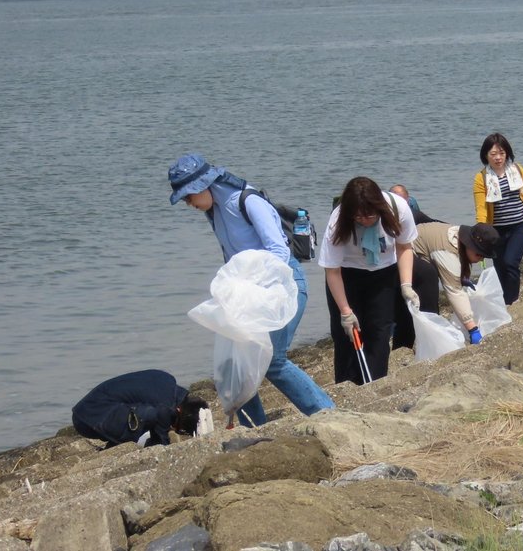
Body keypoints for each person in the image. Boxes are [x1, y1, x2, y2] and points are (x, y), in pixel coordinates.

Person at [168, 154, 334, 425]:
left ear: (204, 185)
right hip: (250, 295)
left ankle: (327, 414)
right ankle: (253, 428)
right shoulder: (214, 211)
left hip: (284, 286)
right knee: (236, 363)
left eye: (189, 197)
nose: (189, 204)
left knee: (273, 361)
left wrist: (255, 287)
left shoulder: (248, 201)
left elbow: (279, 251)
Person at [320, 177, 418, 385]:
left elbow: (404, 247)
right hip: (346, 275)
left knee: (379, 331)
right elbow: (332, 271)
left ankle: (375, 384)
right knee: (346, 335)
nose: (365, 220)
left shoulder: (397, 208)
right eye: (358, 217)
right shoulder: (338, 220)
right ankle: (347, 387)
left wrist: (406, 285)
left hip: (384, 272)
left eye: (370, 215)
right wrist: (345, 312)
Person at [412, 222, 500, 344]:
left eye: (484, 256)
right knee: (429, 285)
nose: (481, 259)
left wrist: (459, 278)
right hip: (405, 252)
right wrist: (472, 329)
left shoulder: (457, 237)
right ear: (469, 244)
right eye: (479, 254)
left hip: (420, 243)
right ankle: (428, 335)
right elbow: (454, 292)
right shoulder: (447, 252)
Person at [72, 369, 207, 449]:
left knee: (152, 413)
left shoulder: (168, 381)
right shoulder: (166, 406)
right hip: (89, 418)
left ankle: (119, 440)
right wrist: (164, 444)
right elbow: (162, 415)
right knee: (156, 414)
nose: (174, 428)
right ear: (179, 410)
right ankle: (149, 443)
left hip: (88, 410)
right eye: (178, 426)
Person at [473, 132, 523, 306]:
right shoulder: (481, 178)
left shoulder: (517, 170)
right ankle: (505, 302)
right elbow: (481, 208)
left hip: (521, 225)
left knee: (510, 262)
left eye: (501, 153)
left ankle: (512, 302)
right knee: (500, 269)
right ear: (486, 156)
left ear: (507, 153)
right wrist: (480, 232)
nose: (498, 158)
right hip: (496, 231)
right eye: (493, 154)